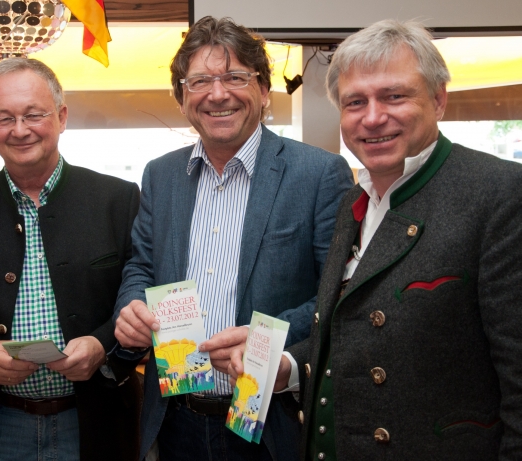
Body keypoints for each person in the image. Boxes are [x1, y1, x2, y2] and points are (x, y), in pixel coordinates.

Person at [249, 19, 522, 461]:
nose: (372, 117)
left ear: (438, 99)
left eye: (394, 96)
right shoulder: (353, 202)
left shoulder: (503, 195)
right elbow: (355, 335)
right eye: (355, 102)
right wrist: (285, 366)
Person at [113, 16, 353, 461]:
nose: (217, 93)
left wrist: (266, 342)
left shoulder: (318, 174)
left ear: (263, 90)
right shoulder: (160, 174)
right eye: (200, 80)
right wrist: (130, 307)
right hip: (176, 415)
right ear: (182, 97)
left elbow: (336, 292)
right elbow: (141, 266)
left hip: (267, 422)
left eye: (235, 77)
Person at [0, 58, 142, 460]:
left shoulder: (119, 200)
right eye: (4, 118)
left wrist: (103, 346)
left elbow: (140, 296)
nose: (20, 130)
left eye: (33, 114)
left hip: (97, 424)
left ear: (62, 116)